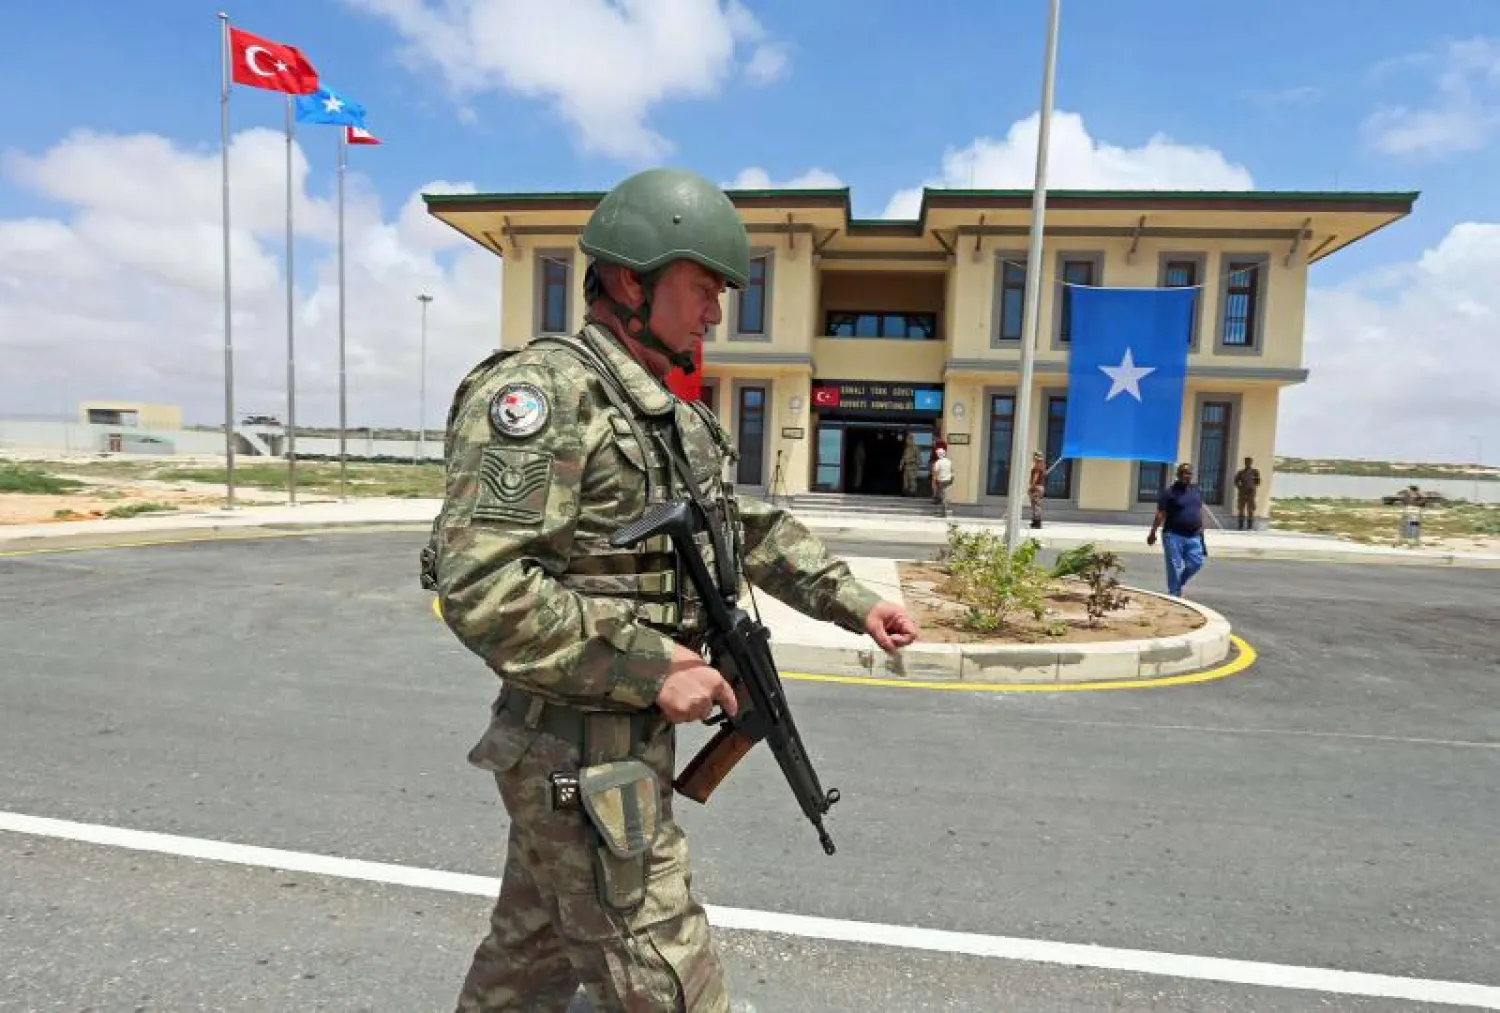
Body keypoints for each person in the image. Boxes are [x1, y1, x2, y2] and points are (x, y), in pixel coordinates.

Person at [422, 167, 920, 1013]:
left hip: (613, 744)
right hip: (578, 750)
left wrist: (850, 598)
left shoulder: (668, 414)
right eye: (702, 287)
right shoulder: (544, 395)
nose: (716, 311)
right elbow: (483, 581)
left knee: (531, 955)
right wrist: (655, 665)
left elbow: (741, 528)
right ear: (629, 280)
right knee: (667, 974)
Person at [1147, 462, 1208, 598]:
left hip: (1194, 535)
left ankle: (1177, 584)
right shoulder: (1169, 493)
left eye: (1188, 473)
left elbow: (1199, 510)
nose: (1186, 475)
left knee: (1196, 563)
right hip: (1173, 535)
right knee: (1174, 566)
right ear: (1178, 475)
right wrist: (1153, 532)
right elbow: (1160, 514)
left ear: (1191, 475)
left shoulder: (1196, 490)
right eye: (1183, 473)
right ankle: (1174, 594)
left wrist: (1202, 531)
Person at [1233, 456, 1261, 531]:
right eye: (1246, 462)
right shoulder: (1241, 472)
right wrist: (1240, 487)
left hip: (1251, 493)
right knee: (1241, 509)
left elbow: (1258, 482)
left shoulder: (1255, 472)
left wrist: (1252, 488)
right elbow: (1236, 481)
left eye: (1249, 462)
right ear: (1244, 463)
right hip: (1242, 493)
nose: (1247, 463)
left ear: (1251, 463)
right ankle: (1240, 526)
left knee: (1250, 510)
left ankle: (1250, 526)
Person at [931, 446, 954, 514]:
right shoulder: (949, 461)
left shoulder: (938, 462)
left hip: (941, 480)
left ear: (938, 454)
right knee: (945, 494)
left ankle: (944, 512)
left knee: (942, 495)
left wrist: (934, 480)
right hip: (948, 480)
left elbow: (935, 472)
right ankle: (944, 510)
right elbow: (952, 471)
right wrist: (952, 479)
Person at [1028, 451, 1046, 529]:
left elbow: (1035, 478)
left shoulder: (1036, 467)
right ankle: (1036, 522)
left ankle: (1037, 523)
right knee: (1037, 505)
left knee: (1035, 505)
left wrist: (1031, 487)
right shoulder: (1042, 466)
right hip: (1040, 487)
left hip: (1036, 487)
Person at [900, 432, 920, 497]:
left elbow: (918, 458)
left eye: (908, 439)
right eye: (907, 439)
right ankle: (905, 491)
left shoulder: (916, 448)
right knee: (905, 480)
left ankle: (913, 492)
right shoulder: (906, 449)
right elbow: (903, 457)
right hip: (907, 466)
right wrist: (901, 465)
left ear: (911, 440)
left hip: (912, 466)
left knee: (912, 480)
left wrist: (917, 467)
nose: (907, 441)